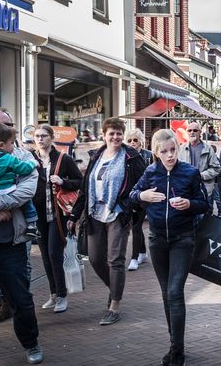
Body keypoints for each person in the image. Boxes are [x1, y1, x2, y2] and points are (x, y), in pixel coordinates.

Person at [130, 129, 208, 366]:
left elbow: (206, 204)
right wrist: (143, 195)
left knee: (174, 292)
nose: (170, 155)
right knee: (167, 294)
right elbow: (132, 195)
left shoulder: (190, 173)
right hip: (156, 240)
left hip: (183, 238)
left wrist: (189, 204)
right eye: (164, 151)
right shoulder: (150, 172)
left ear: (178, 148)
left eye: (173, 150)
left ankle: (177, 351)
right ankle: (173, 342)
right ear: (156, 152)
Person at [0, 108, 44, 364]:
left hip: (10, 244)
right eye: (3, 125)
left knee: (22, 301)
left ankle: (30, 342)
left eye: (11, 124)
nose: (10, 128)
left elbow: (29, 186)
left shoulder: (20, 155)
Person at [68, 117, 147, 326]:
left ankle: (114, 306)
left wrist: (127, 208)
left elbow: (142, 185)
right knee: (94, 258)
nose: (116, 137)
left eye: (119, 133)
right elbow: (85, 188)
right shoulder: (97, 156)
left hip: (117, 215)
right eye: (111, 133)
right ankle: (114, 290)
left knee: (115, 260)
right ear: (104, 135)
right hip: (95, 213)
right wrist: (74, 215)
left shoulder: (131, 157)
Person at [32, 124, 84, 314]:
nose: (40, 139)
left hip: (57, 214)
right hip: (38, 215)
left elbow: (80, 182)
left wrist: (63, 181)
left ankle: (62, 295)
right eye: (37, 136)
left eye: (44, 136)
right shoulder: (31, 159)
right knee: (45, 255)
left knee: (54, 253)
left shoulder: (63, 158)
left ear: (51, 138)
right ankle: (54, 294)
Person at [178, 122, 221, 215]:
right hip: (186, 190)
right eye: (189, 130)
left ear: (200, 132)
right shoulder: (181, 149)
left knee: (204, 218)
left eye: (195, 130)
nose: (192, 132)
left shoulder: (208, 149)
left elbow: (216, 168)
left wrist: (201, 176)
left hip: (204, 190)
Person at [125, 128, 152, 271]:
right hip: (130, 197)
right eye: (129, 140)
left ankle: (134, 258)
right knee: (136, 226)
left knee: (136, 227)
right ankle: (142, 252)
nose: (132, 143)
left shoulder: (148, 156)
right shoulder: (125, 156)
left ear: (141, 141)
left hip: (145, 196)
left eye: (135, 140)